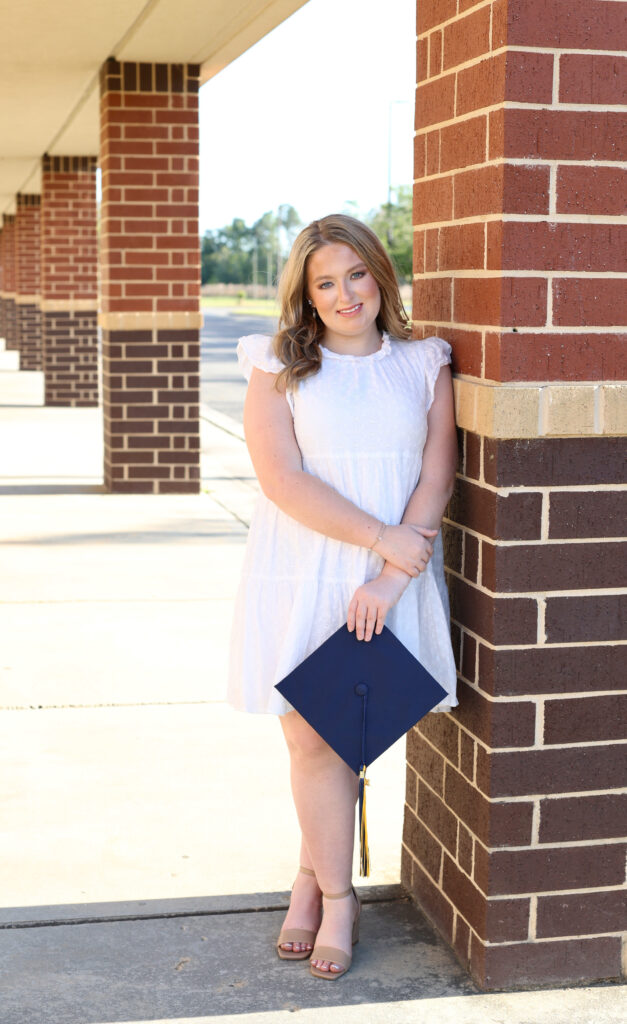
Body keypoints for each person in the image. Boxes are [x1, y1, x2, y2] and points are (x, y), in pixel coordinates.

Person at [227, 214, 458, 979]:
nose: (343, 293)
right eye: (324, 282)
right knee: (307, 735)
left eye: (354, 274)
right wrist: (375, 540)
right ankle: (335, 895)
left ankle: (309, 880)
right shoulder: (277, 364)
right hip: (305, 568)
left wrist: (394, 573)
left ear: (378, 274)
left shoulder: (422, 362)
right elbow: (280, 478)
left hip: (392, 576)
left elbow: (433, 476)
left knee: (342, 734)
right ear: (305, 293)